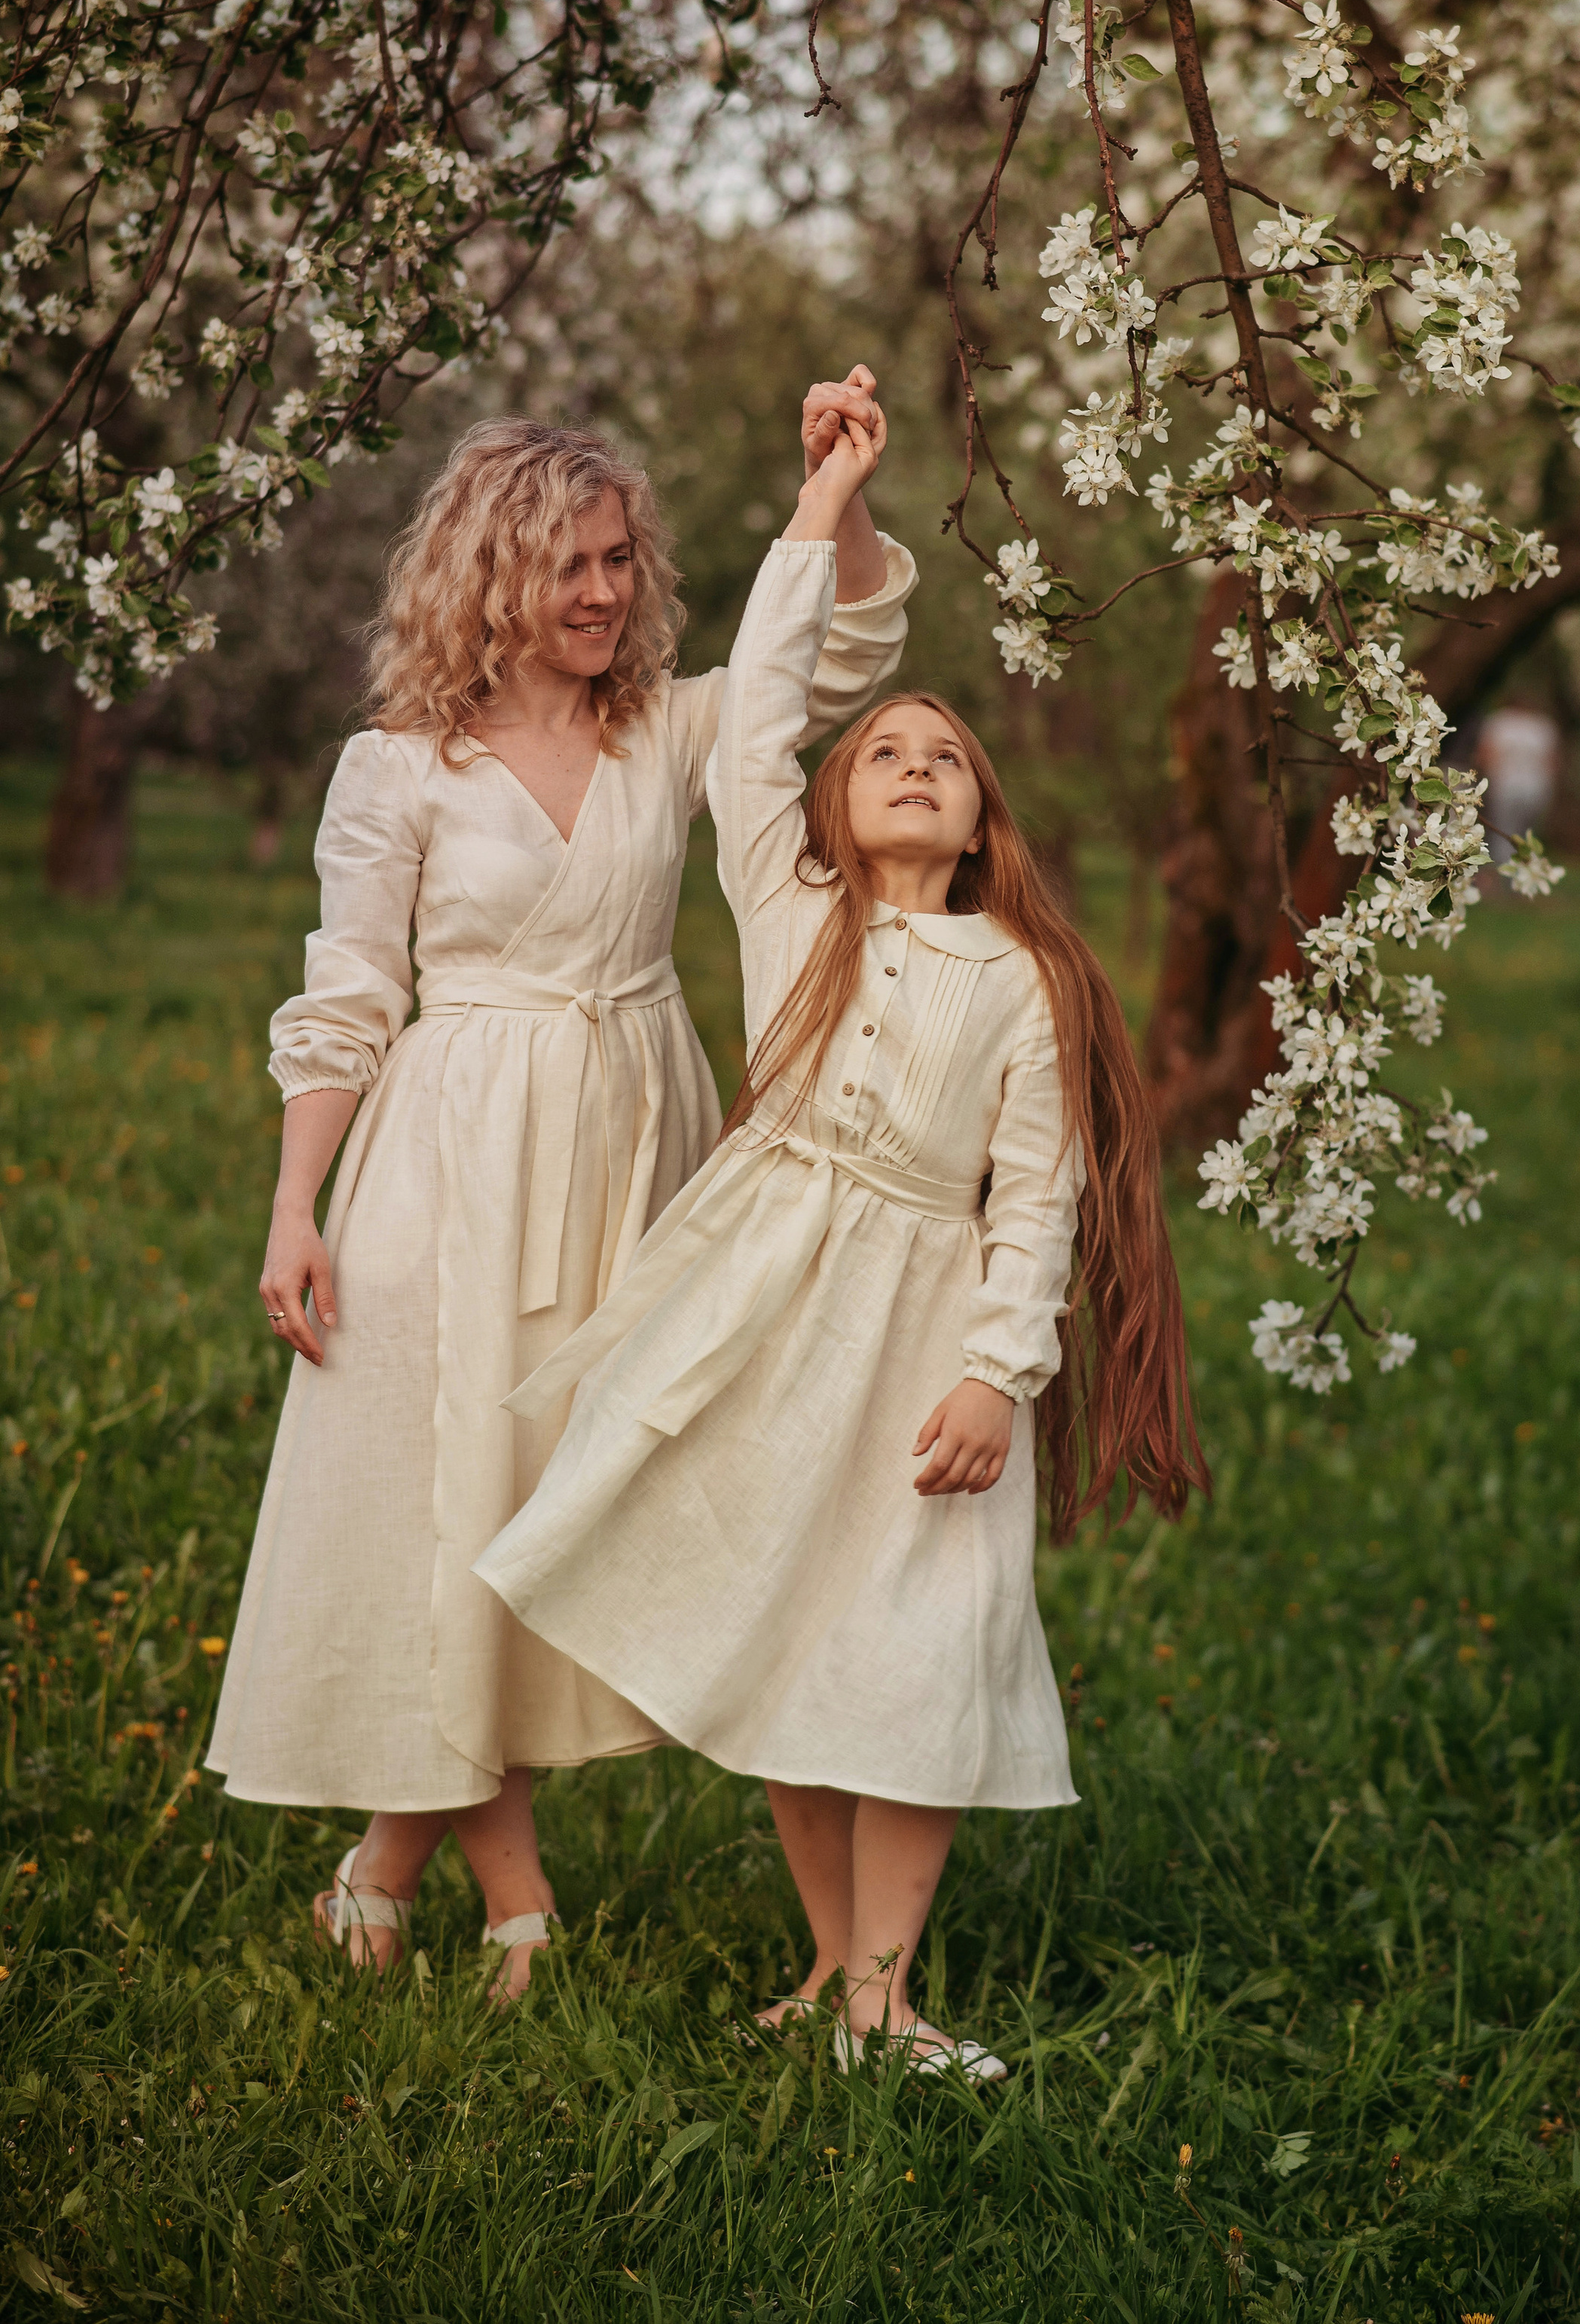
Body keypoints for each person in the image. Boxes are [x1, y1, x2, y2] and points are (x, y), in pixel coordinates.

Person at [475, 399, 1206, 2070]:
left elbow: (1038, 1196)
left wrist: (996, 1375)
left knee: (912, 1644)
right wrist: (822, 501)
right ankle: (832, 1979)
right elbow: (744, 745)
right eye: (882, 748)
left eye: (944, 756)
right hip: (767, 1312)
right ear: (827, 809)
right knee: (793, 1630)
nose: (915, 764)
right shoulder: (791, 914)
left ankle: (887, 1990)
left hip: (920, 1335)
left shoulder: (1018, 978)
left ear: (981, 820)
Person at [208, 391, 915, 1996]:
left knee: (557, 1510)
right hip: (449, 1152)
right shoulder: (395, 768)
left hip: (629, 1143)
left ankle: (384, 1860)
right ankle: (514, 1888)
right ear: (484, 579)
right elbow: (343, 995)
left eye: (617, 560)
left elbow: (840, 658)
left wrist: (840, 493)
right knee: (454, 1508)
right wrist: (294, 1205)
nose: (602, 593)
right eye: (567, 567)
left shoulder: (666, 730)